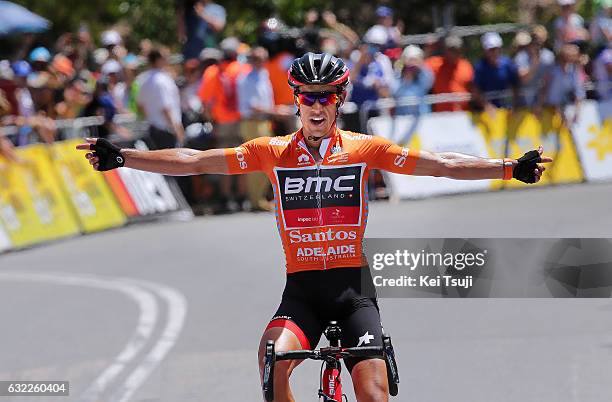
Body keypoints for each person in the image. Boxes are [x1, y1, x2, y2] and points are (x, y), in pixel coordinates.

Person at [77, 52, 552, 402]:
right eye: (308, 97)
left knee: (372, 394)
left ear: (340, 98)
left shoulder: (364, 148)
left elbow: (441, 164)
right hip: (302, 292)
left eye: (326, 97)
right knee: (272, 359)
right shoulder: (272, 151)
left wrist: (509, 167)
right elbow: (196, 160)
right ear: (296, 100)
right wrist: (126, 156)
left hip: (352, 293)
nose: (317, 106)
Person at [137, 49, 184, 149]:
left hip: (153, 128)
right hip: (166, 130)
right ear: (158, 60)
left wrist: (151, 119)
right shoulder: (162, 80)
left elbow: (140, 105)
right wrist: (177, 130)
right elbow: (165, 108)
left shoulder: (143, 79)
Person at [472, 32, 520, 112]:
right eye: (491, 49)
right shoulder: (480, 67)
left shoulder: (507, 64)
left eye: (497, 48)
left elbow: (516, 85)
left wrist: (514, 104)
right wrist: (487, 106)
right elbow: (476, 91)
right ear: (485, 50)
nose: (495, 52)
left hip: (506, 110)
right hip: (486, 113)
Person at [425, 35, 474, 112]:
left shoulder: (466, 66)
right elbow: (418, 67)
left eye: (456, 50)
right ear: (445, 50)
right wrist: (429, 49)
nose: (453, 53)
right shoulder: (436, 64)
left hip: (463, 115)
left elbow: (473, 88)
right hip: (442, 116)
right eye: (451, 50)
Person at [393, 45, 433, 116]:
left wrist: (419, 66)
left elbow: (428, 82)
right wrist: (406, 76)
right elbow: (395, 92)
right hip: (402, 118)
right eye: (410, 60)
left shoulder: (424, 75)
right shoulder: (399, 76)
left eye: (415, 60)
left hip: (422, 117)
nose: (412, 63)